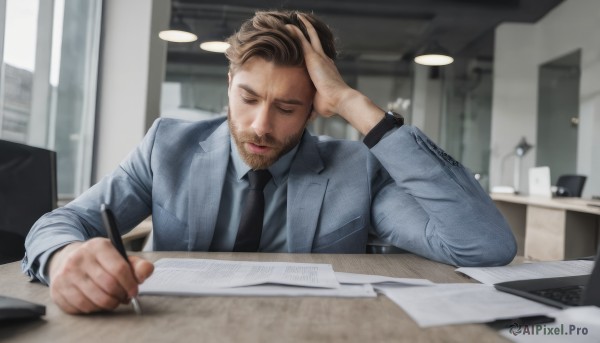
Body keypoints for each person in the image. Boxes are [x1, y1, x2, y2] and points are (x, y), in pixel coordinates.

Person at [23, 10, 516, 314]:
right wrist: (65, 257)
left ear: (314, 108)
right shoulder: (166, 146)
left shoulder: (355, 169)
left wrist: (350, 102)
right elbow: (65, 221)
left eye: (287, 107)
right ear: (229, 84)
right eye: (248, 97)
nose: (261, 125)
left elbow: (481, 245)